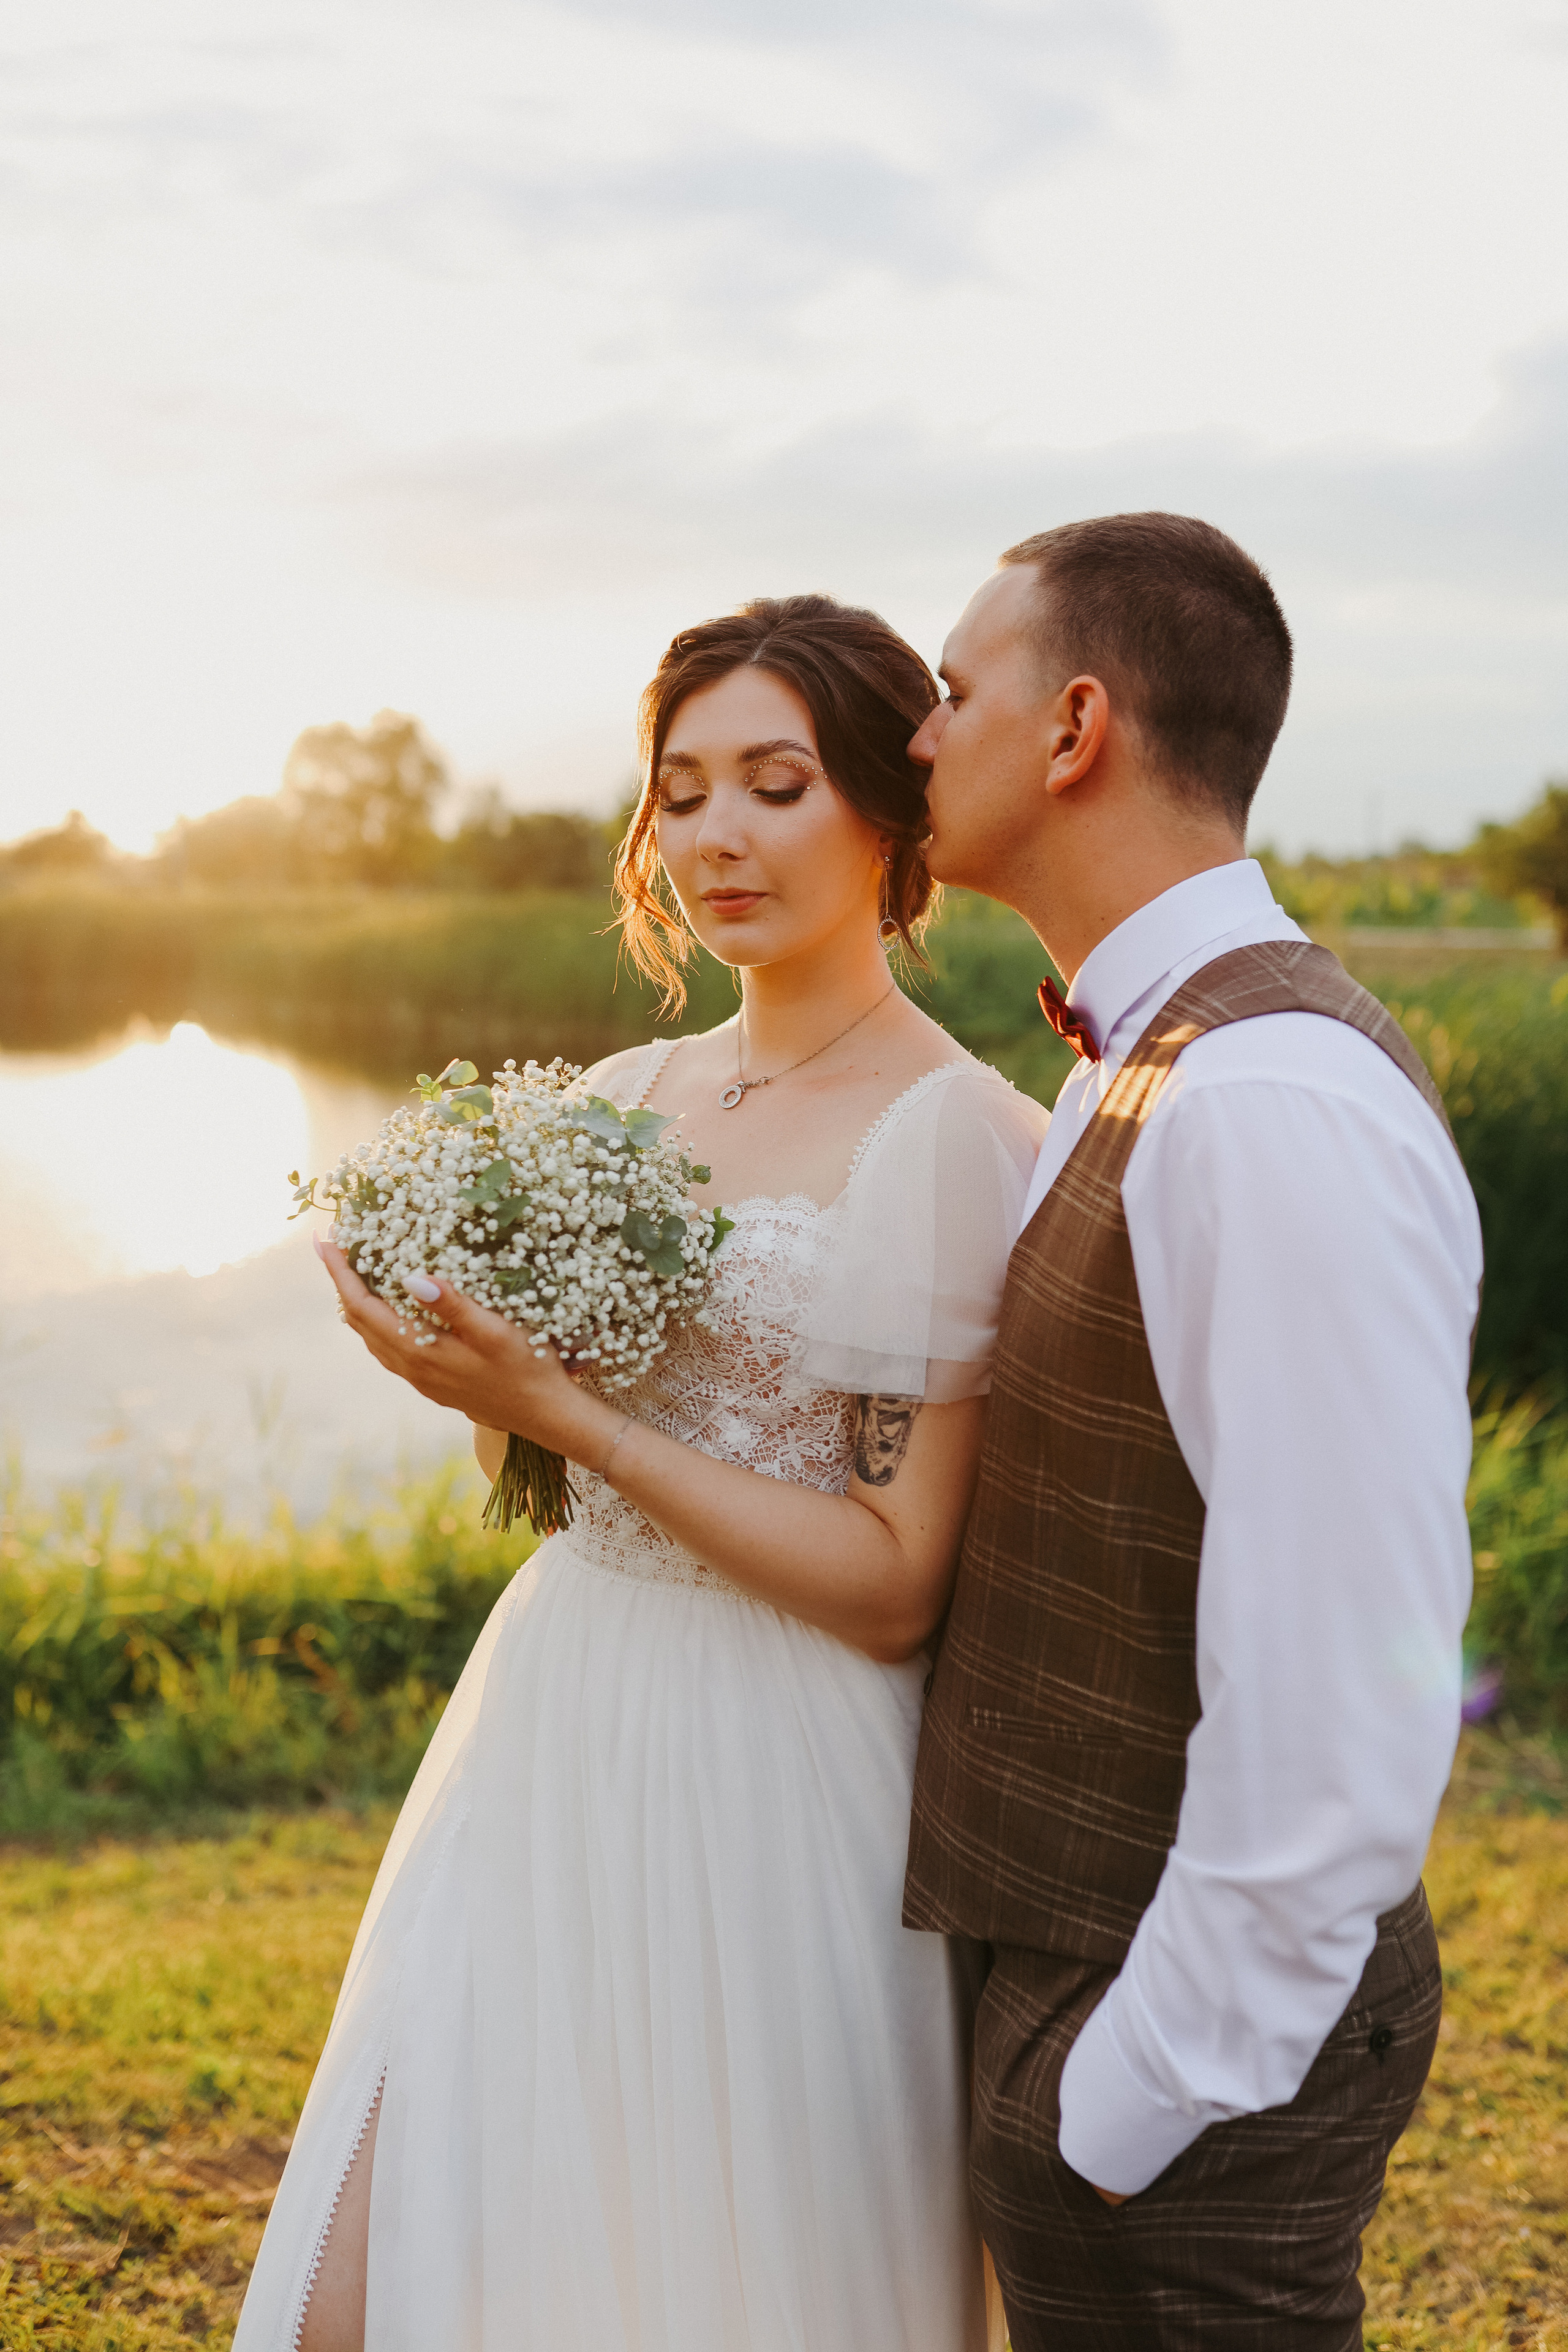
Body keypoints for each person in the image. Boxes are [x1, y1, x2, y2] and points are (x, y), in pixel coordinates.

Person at [233, 594, 1043, 2352]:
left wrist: (580, 1415)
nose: (718, 837)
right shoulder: (623, 1092)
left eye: (778, 782)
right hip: (553, 1708)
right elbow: (536, 1453)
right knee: (367, 2294)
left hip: (781, 1769)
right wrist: (472, 1379)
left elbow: (901, 1580)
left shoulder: (953, 1135)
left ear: (890, 817)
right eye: (683, 792)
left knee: (712, 2276)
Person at [902, 512, 1483, 2350]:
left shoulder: (1264, 1103)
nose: (915, 737)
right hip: (1089, 1983)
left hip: (1173, 2057)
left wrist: (1132, 2098)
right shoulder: (1138, 1062)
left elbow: (1347, 1692)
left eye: (949, 688)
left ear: (1072, 728)